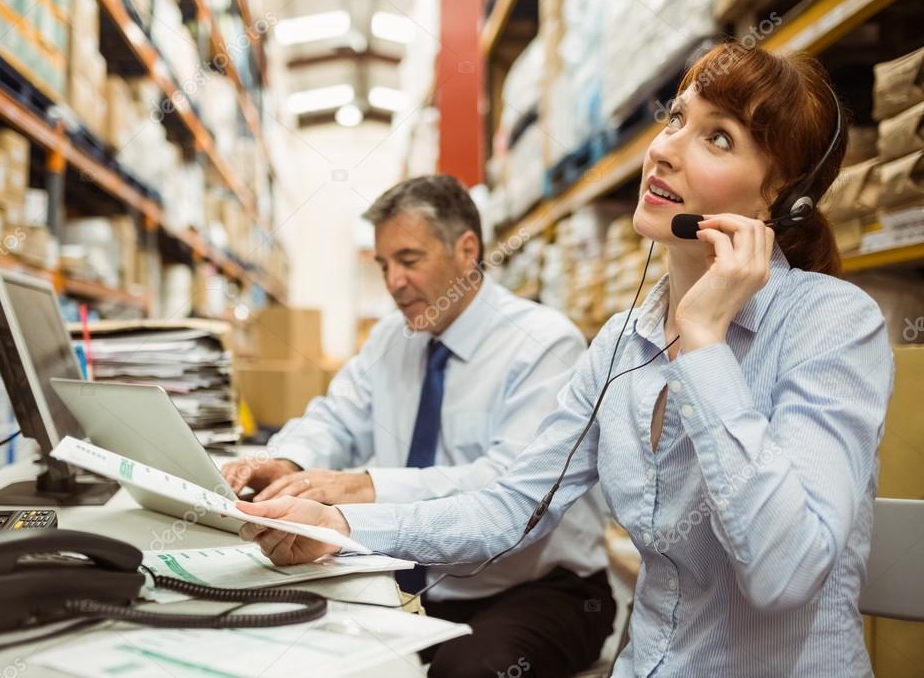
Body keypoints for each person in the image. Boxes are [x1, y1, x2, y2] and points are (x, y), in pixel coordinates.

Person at [233, 42, 896, 677]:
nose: (664, 151)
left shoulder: (830, 323)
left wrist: (703, 343)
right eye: (674, 121)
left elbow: (784, 574)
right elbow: (509, 505)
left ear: (781, 200)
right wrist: (340, 524)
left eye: (716, 137)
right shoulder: (619, 344)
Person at [222, 175, 615, 676]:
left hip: (539, 587)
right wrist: (283, 461)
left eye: (409, 260)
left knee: (469, 670)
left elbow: (506, 491)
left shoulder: (543, 344)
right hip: (420, 579)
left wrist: (365, 487)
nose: (393, 282)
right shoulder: (393, 337)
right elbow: (337, 415)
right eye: (385, 265)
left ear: (466, 250)